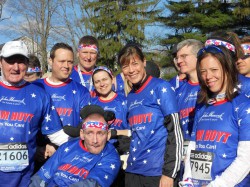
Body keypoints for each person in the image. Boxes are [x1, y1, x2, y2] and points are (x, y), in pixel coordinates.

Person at [180, 44, 250, 187]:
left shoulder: (243, 106)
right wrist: (188, 181)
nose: (208, 76)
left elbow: (246, 159)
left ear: (227, 69)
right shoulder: (202, 106)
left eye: (214, 70)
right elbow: (194, 148)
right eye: (203, 71)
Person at [0, 41, 69, 187]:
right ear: (1, 63)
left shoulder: (40, 95)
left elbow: (57, 135)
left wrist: (85, 143)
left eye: (21, 62)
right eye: (10, 61)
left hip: (24, 180)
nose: (16, 67)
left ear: (27, 64)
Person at [118, 44, 183, 187]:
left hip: (157, 173)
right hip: (133, 171)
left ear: (144, 62)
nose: (131, 70)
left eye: (135, 63)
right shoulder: (131, 96)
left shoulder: (161, 87)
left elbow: (175, 133)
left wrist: (169, 173)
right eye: (125, 66)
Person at [33, 43, 91, 172]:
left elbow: (85, 127)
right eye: (62, 61)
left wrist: (58, 147)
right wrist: (35, 148)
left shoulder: (82, 91)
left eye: (70, 62)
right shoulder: (35, 87)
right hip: (38, 157)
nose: (66, 66)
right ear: (50, 61)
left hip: (68, 158)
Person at [30, 105, 121, 187]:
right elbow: (41, 177)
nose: (95, 140)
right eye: (90, 133)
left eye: (100, 134)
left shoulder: (110, 156)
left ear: (108, 135)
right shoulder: (67, 146)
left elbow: (92, 184)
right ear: (82, 134)